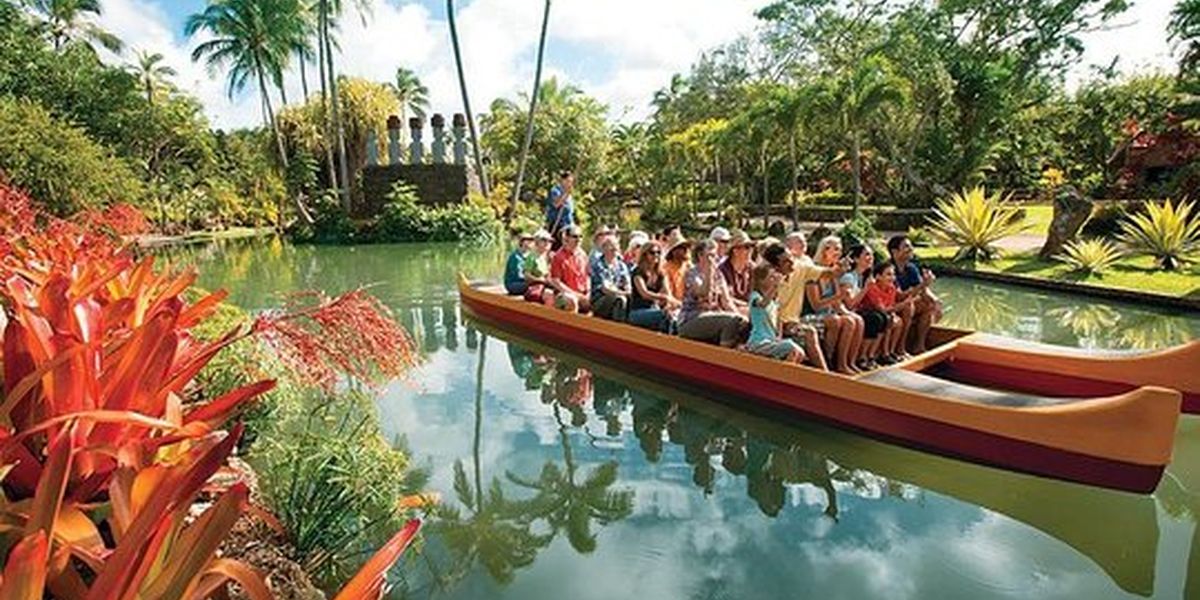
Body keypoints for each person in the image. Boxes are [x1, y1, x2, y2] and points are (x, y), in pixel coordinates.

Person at [760, 243, 828, 370]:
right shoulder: (769, 280)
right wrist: (778, 336)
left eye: (791, 257)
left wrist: (840, 269)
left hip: (791, 321)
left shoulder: (800, 268)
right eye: (786, 261)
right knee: (809, 332)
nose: (791, 262)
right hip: (773, 325)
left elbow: (829, 273)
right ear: (776, 266)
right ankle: (825, 375)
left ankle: (827, 371)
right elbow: (769, 309)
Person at [807, 236, 863, 374]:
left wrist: (847, 312)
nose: (839, 253)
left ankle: (847, 362)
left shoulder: (833, 272)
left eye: (840, 250)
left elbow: (838, 303)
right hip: (812, 314)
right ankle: (831, 360)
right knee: (835, 320)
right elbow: (816, 305)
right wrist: (839, 297)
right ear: (825, 250)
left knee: (856, 320)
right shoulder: (814, 272)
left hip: (829, 312)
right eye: (836, 249)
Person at [678, 239, 748, 348]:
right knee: (731, 321)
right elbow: (703, 293)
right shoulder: (692, 273)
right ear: (700, 255)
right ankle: (723, 357)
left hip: (711, 315)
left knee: (740, 320)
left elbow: (727, 302)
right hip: (690, 319)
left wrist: (742, 318)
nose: (714, 259)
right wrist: (709, 270)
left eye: (715, 256)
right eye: (710, 255)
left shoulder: (718, 275)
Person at [887, 234, 941, 354]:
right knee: (909, 306)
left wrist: (935, 301)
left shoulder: (911, 268)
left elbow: (923, 291)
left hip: (906, 304)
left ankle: (919, 346)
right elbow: (899, 296)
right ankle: (900, 348)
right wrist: (923, 285)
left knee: (929, 304)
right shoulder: (888, 270)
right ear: (895, 251)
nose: (911, 249)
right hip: (892, 305)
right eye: (906, 246)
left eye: (911, 246)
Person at [840, 245, 891, 367]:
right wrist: (866, 288)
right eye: (867, 255)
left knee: (884, 317)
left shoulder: (863, 277)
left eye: (872, 255)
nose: (871, 258)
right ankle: (860, 357)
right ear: (856, 259)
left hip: (859, 310)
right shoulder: (849, 277)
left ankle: (870, 355)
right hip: (846, 312)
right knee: (874, 319)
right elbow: (850, 304)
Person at [747, 261, 806, 364]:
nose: (774, 280)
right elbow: (763, 303)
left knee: (800, 352)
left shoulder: (774, 302)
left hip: (771, 341)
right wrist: (775, 286)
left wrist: (778, 338)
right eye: (771, 277)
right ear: (761, 281)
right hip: (758, 342)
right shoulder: (755, 296)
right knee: (791, 348)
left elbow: (778, 324)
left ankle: (784, 374)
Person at [862, 262, 918, 360]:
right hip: (869, 314)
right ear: (878, 277)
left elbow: (892, 304)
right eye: (888, 274)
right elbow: (882, 309)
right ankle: (876, 354)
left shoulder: (891, 288)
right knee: (887, 319)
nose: (892, 277)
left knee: (898, 321)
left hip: (883, 315)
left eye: (893, 274)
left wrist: (920, 287)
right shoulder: (873, 288)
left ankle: (889, 352)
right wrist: (904, 303)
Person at [629, 242, 679, 333]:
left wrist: (673, 304)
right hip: (637, 311)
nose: (656, 255)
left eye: (658, 252)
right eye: (652, 252)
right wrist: (663, 297)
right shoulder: (638, 272)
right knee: (665, 315)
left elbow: (667, 293)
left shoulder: (661, 274)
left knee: (676, 315)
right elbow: (645, 294)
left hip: (655, 309)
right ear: (645, 255)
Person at [550, 225, 591, 312]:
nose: (578, 239)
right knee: (571, 301)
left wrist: (588, 292)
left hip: (583, 293)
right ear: (566, 238)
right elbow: (556, 282)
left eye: (581, 236)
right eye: (575, 236)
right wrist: (575, 295)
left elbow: (587, 276)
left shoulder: (583, 255)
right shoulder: (558, 256)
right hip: (565, 294)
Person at [591, 235, 631, 321]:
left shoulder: (621, 266)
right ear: (604, 248)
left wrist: (628, 290)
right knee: (619, 299)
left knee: (630, 300)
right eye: (611, 245)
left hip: (618, 294)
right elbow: (605, 289)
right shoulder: (598, 265)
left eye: (616, 245)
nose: (615, 247)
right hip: (599, 299)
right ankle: (617, 328)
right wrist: (623, 293)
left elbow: (627, 284)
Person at [718, 229, 754, 310]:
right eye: (747, 247)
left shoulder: (752, 269)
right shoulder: (722, 271)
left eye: (752, 246)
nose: (751, 251)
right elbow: (724, 299)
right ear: (735, 251)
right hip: (728, 312)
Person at [522, 229, 555, 305]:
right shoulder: (532, 257)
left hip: (546, 285)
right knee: (549, 296)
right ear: (537, 242)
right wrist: (540, 280)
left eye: (549, 241)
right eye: (544, 240)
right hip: (536, 286)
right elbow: (526, 276)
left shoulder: (546, 257)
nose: (547, 243)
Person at [545, 171, 575, 246]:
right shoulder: (555, 190)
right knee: (556, 245)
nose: (569, 184)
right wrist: (566, 194)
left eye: (571, 182)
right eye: (568, 181)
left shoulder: (569, 194)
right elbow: (556, 204)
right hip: (557, 223)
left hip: (567, 224)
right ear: (562, 180)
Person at [662, 231, 691, 303]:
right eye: (682, 247)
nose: (686, 250)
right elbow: (668, 294)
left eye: (686, 247)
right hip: (675, 305)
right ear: (673, 251)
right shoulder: (666, 269)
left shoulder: (689, 266)